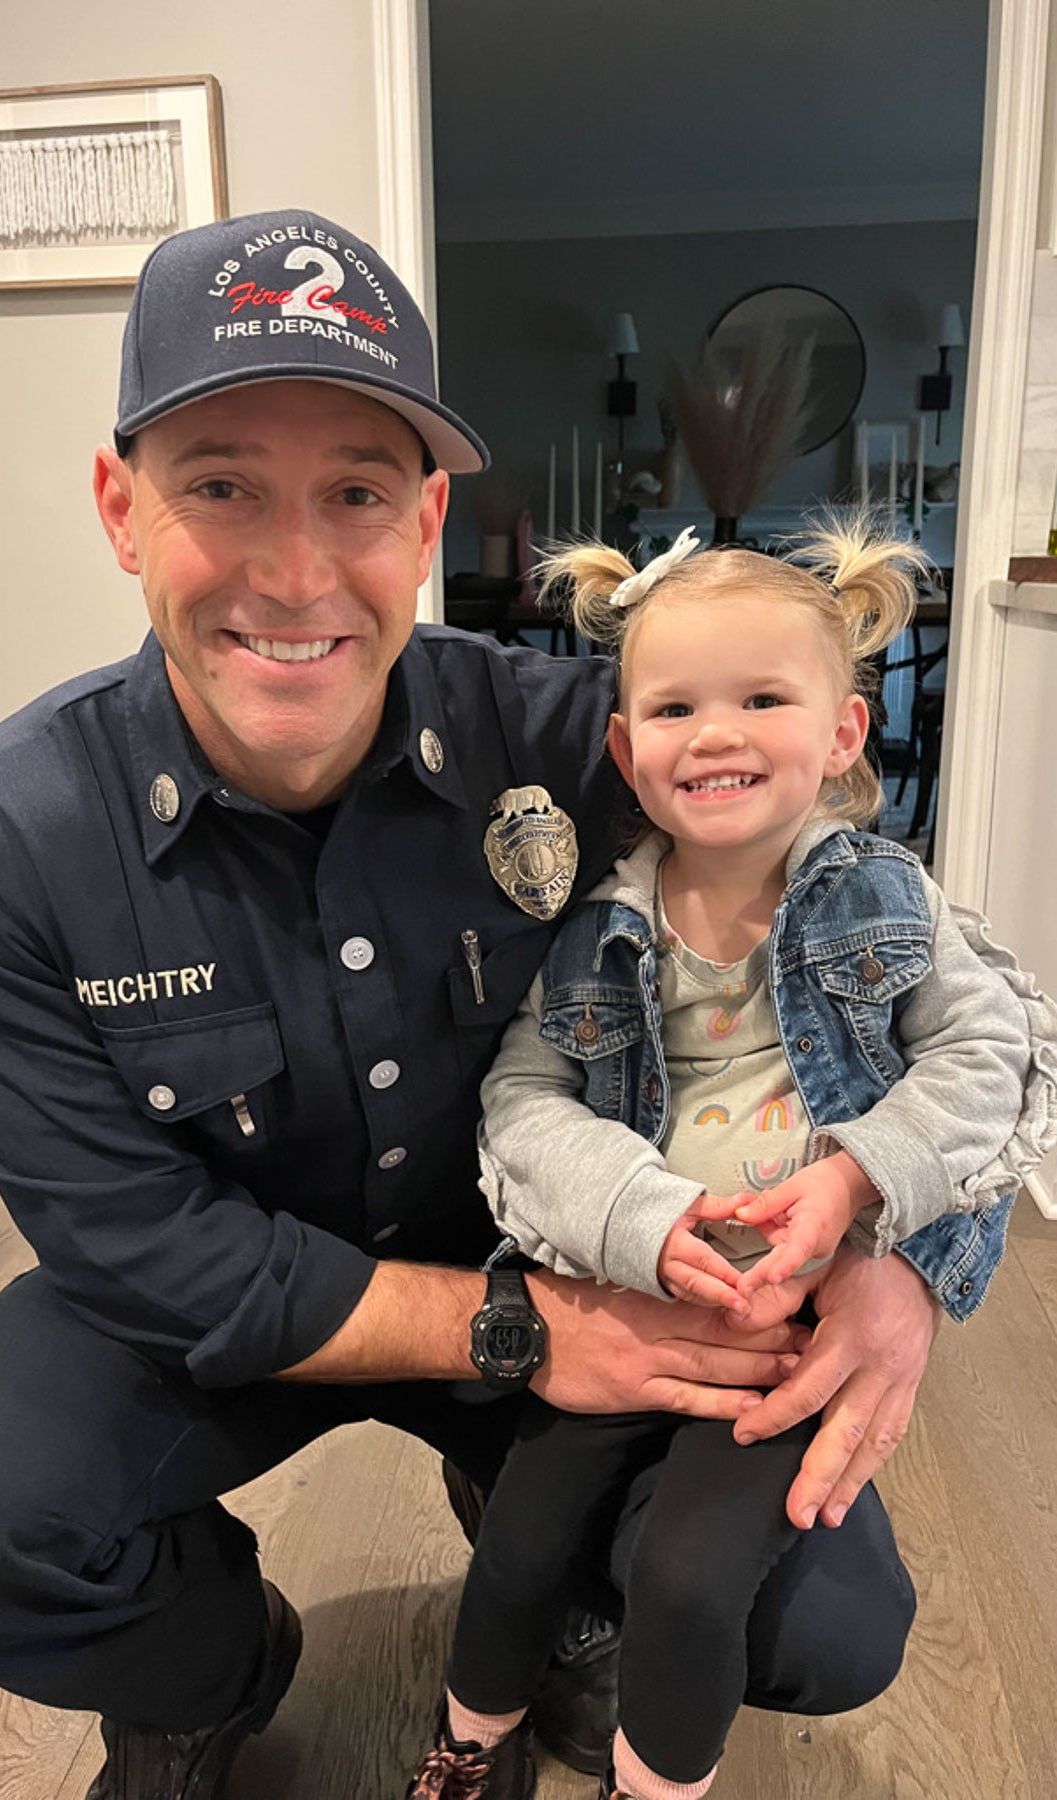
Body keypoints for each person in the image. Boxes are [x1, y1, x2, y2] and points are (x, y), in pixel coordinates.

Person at [0, 209, 1023, 1800]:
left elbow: (936, 986)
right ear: (121, 509)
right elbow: (126, 1236)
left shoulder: (597, 743)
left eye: (356, 491)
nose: (295, 567)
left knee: (826, 1619)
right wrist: (505, 1332)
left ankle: (556, 1585)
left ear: (427, 521)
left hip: (579, 1264)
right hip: (250, 1318)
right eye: (220, 487)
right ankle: (207, 1670)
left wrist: (894, 1253)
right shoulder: (6, 837)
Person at [402, 522, 1057, 1800]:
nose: (716, 732)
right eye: (674, 706)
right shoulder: (594, 928)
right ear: (625, 750)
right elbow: (524, 1097)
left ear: (844, 734)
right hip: (633, 1283)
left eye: (763, 698)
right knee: (521, 1543)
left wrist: (863, 1177)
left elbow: (994, 1062)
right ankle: (468, 1755)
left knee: (694, 1576)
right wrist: (637, 1219)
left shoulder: (889, 901)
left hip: (789, 1320)